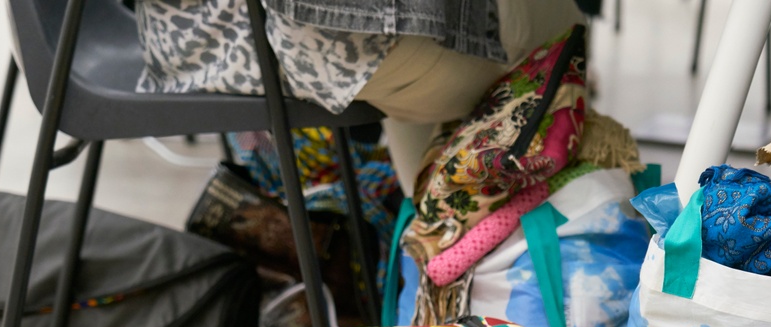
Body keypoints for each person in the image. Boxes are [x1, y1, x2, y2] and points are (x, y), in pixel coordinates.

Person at [135, 0, 588, 191]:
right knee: (555, 38)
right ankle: (550, 292)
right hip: (281, 36)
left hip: (188, 31)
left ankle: (436, 273)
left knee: (528, 29)